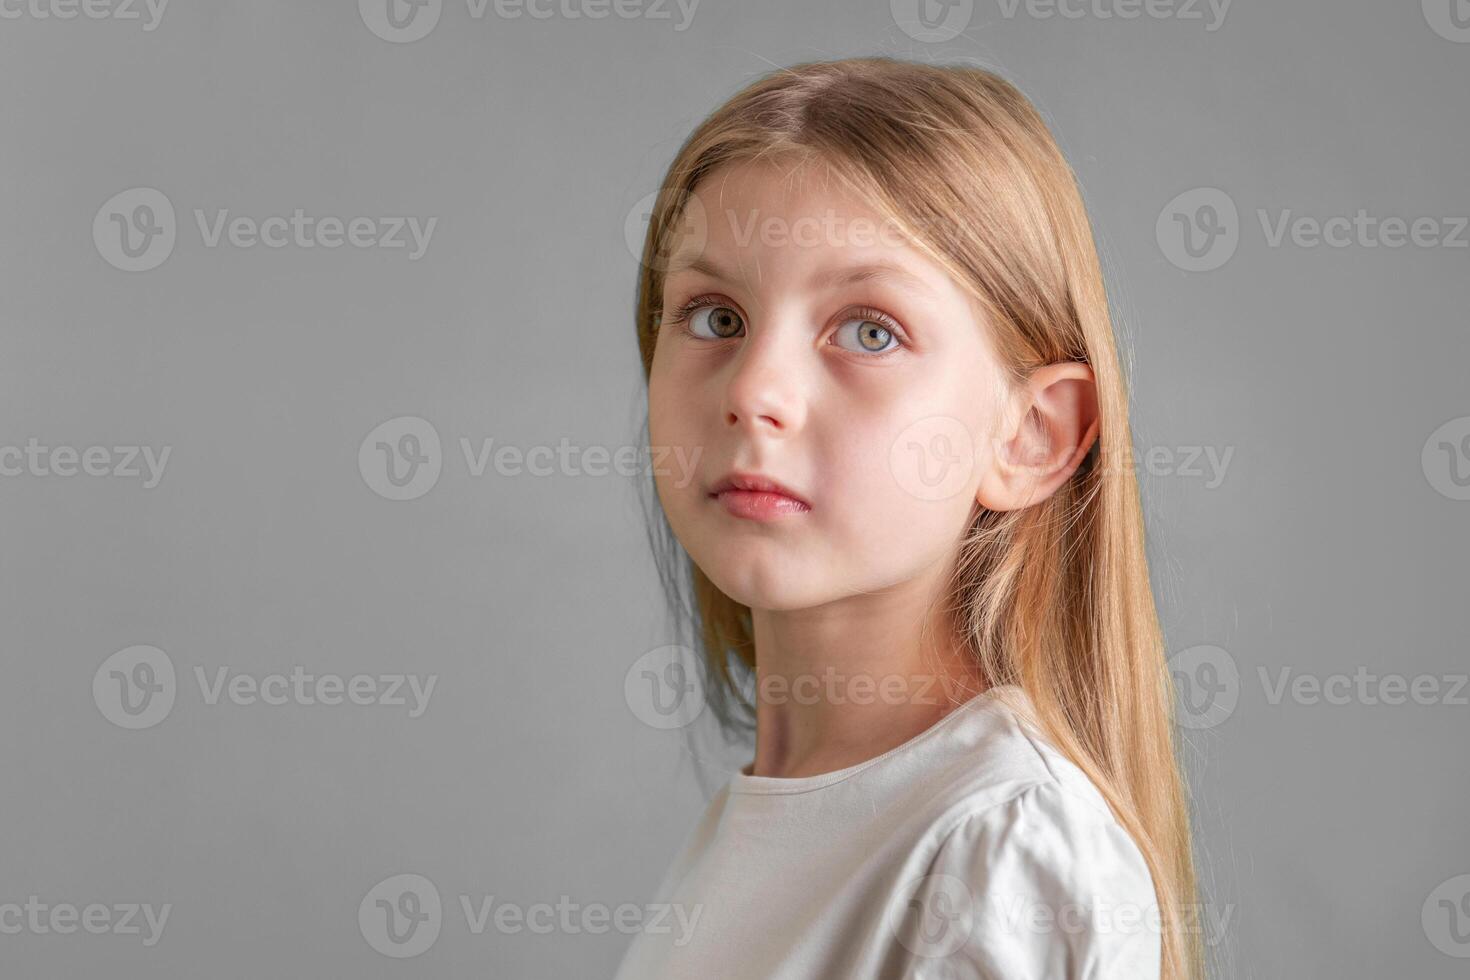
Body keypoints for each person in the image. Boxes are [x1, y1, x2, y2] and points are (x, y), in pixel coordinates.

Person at [617, 56, 1202, 980]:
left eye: (869, 330)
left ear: (1031, 437)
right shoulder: (768, 822)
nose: (756, 391)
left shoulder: (1000, 847)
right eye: (715, 317)